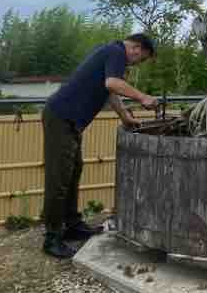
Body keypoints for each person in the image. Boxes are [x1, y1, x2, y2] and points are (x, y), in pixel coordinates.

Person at [40, 32, 157, 258]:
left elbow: (110, 91)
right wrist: (143, 97)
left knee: (74, 171)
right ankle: (52, 237)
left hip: (70, 121)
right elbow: (113, 83)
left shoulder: (112, 53)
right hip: (60, 117)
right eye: (141, 59)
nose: (138, 62)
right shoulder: (116, 52)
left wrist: (124, 117)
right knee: (59, 177)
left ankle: (72, 224)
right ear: (136, 48)